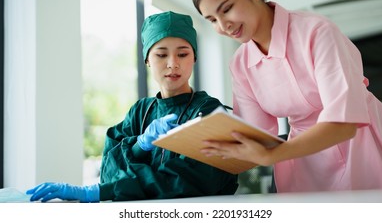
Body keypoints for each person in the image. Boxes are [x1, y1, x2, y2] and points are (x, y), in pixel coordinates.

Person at [186, 0, 382, 192]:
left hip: (361, 144)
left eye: (226, 9)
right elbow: (256, 134)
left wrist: (276, 154)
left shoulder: (316, 32)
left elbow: (345, 123)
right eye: (212, 20)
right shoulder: (240, 65)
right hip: (303, 160)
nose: (223, 25)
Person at [26, 11, 238, 202]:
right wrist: (139, 145)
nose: (172, 63)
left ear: (194, 58)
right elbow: (109, 172)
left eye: (182, 54)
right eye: (161, 54)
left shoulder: (208, 111)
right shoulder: (140, 112)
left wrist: (102, 191)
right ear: (147, 60)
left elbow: (189, 181)